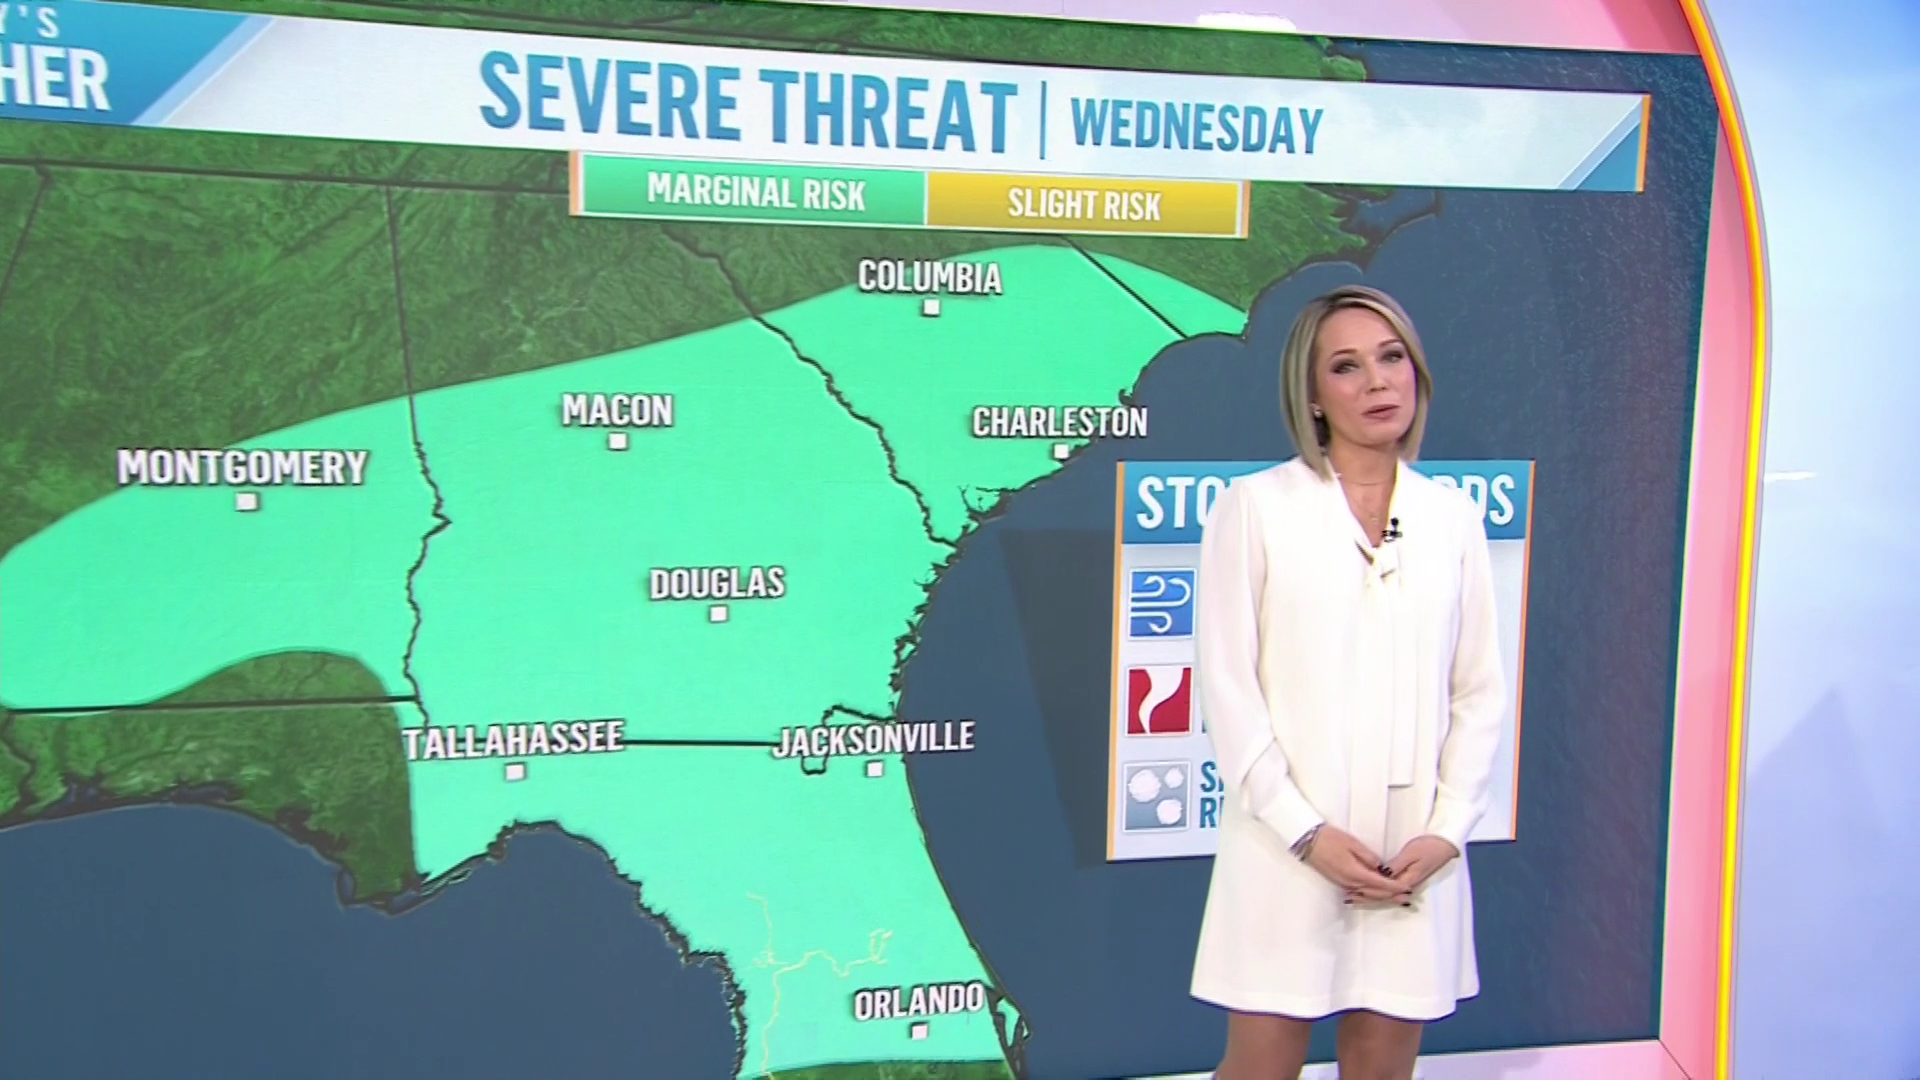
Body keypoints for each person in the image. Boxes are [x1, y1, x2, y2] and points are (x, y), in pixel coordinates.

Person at [1188, 284, 1507, 1080]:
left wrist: (1447, 830)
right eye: (1347, 366)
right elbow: (1228, 687)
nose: (1377, 382)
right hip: (1288, 843)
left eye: (1391, 358)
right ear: (1313, 395)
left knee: (1382, 1068)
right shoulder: (1256, 509)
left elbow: (1478, 691)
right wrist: (1303, 831)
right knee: (1260, 1067)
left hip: (1412, 851)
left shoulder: (1451, 519)